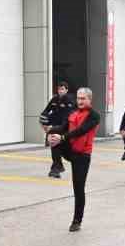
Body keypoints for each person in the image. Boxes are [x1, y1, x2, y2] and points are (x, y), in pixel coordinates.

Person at [47, 87, 101, 232]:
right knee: (53, 136)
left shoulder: (94, 115)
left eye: (83, 98)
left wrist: (62, 137)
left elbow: (81, 130)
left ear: (90, 99)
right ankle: (57, 166)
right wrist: (51, 132)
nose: (80, 101)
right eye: (78, 98)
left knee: (78, 188)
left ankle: (77, 220)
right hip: (70, 149)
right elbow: (63, 127)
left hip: (82, 155)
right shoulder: (73, 113)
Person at [39, 81, 74, 177]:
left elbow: (68, 117)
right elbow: (46, 111)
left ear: (66, 90)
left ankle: (57, 167)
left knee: (60, 148)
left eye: (62, 89)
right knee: (55, 145)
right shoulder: (54, 99)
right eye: (59, 89)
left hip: (64, 127)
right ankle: (56, 168)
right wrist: (44, 122)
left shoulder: (69, 101)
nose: (60, 91)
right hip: (54, 127)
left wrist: (57, 128)